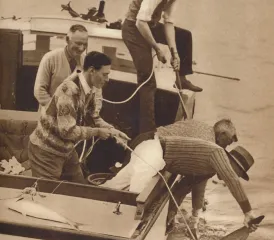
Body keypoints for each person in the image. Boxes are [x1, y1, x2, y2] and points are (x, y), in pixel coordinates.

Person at [102, 119, 258, 236]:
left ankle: (96, 212)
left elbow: (185, 187)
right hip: (154, 151)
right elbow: (232, 181)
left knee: (112, 186)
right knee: (136, 200)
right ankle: (118, 235)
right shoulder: (217, 153)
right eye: (237, 172)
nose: (235, 175)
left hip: (151, 149)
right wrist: (248, 213)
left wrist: (186, 218)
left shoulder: (209, 166)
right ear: (230, 161)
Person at [28, 51, 130, 183]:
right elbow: (67, 131)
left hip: (66, 150)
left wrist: (113, 131)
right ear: (92, 70)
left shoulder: (90, 89)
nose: (107, 79)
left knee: (80, 188)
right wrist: (97, 132)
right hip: (45, 152)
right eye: (105, 74)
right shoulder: (69, 90)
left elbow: (94, 118)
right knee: (48, 194)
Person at [122, 0, 202, 134]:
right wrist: (157, 49)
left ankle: (181, 79)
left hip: (150, 26)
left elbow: (168, 22)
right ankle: (147, 131)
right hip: (133, 29)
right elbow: (140, 22)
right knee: (148, 81)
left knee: (184, 36)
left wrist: (174, 53)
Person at [34, 24, 103, 118]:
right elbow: (39, 91)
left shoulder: (88, 61)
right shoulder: (50, 58)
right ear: (67, 40)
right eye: (78, 43)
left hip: (76, 120)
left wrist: (95, 112)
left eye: (85, 44)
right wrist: (58, 112)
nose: (82, 48)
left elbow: (97, 89)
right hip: (50, 117)